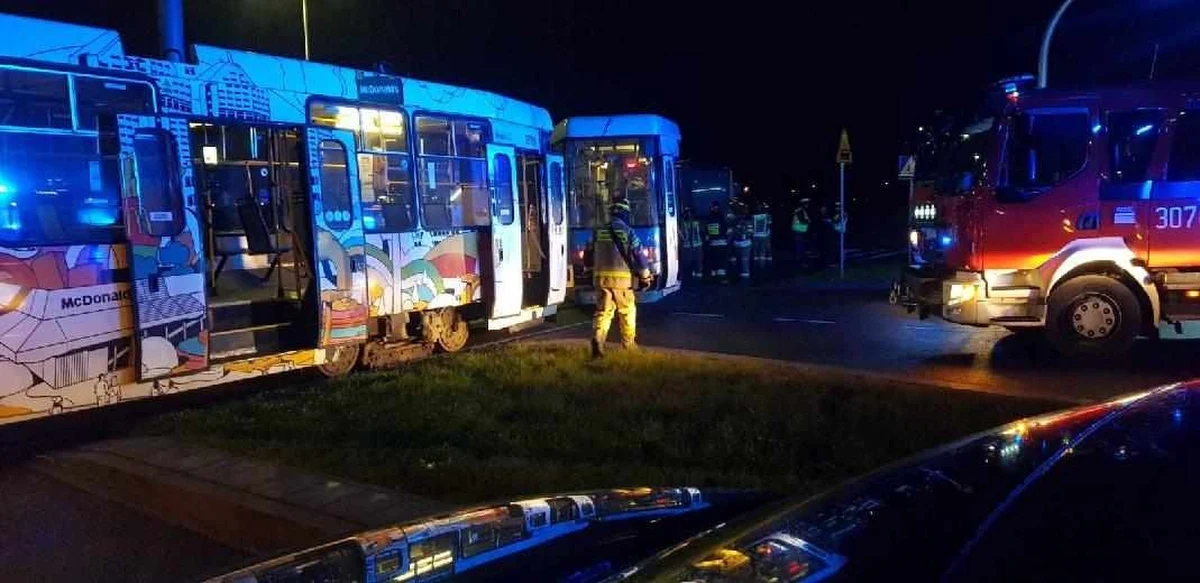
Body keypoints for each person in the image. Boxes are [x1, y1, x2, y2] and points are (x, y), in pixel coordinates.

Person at [590, 197, 653, 358]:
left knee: (603, 312)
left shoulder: (599, 231)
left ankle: (598, 339)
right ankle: (628, 345)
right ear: (625, 213)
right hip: (622, 281)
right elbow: (639, 255)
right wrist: (645, 276)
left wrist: (588, 269)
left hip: (601, 279)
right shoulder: (628, 232)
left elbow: (589, 254)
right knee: (627, 312)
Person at [704, 202, 728, 280]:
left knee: (713, 260)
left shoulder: (708, 218)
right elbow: (726, 229)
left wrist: (707, 240)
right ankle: (721, 276)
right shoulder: (722, 217)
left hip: (713, 243)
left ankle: (714, 275)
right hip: (721, 242)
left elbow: (706, 231)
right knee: (721, 260)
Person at [679, 206, 704, 280]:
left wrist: (678, 231)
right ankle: (698, 278)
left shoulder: (683, 223)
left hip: (687, 246)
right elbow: (702, 232)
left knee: (688, 263)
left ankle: (691, 278)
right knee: (698, 263)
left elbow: (682, 236)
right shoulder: (698, 222)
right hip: (698, 245)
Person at [732, 210, 753, 279]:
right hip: (743, 243)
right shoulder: (748, 222)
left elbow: (733, 234)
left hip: (741, 243)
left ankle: (744, 279)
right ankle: (744, 278)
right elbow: (750, 233)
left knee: (742, 261)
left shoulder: (735, 222)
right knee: (743, 261)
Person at [791, 198, 811, 266]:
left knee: (800, 244)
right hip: (798, 230)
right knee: (799, 245)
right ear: (803, 204)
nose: (808, 205)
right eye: (807, 203)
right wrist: (808, 221)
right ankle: (799, 260)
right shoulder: (800, 211)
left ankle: (800, 259)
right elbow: (802, 220)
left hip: (799, 230)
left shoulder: (801, 210)